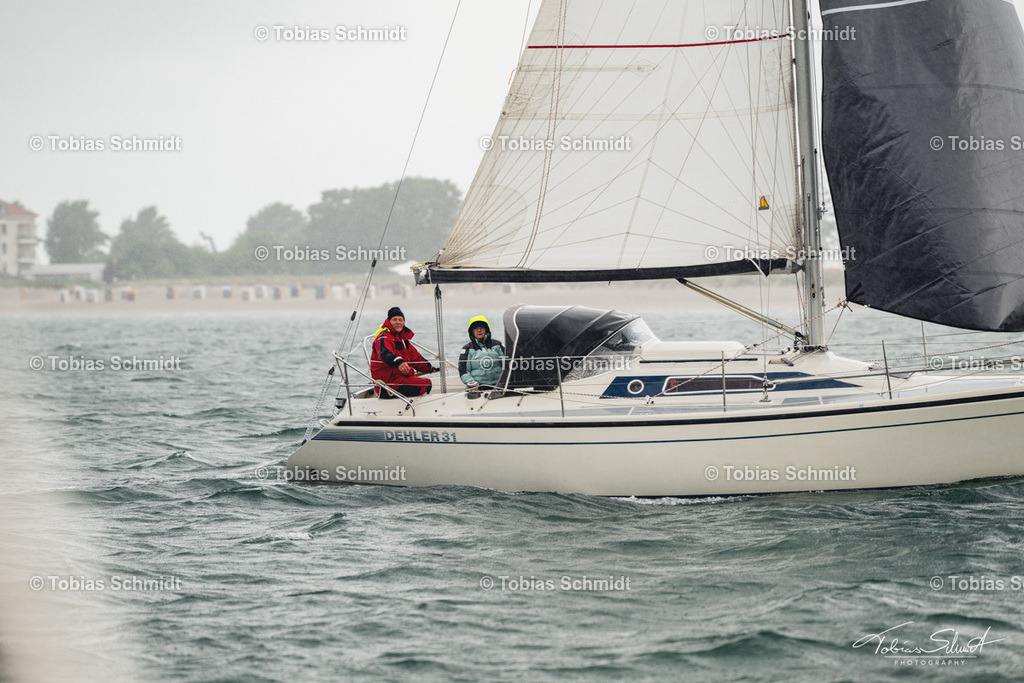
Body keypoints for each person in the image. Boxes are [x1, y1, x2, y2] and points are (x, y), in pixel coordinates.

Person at [370, 307, 438, 398]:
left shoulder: (402, 339)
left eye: (400, 320)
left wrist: (429, 368)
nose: (398, 322)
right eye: (394, 319)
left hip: (400, 379)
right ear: (388, 321)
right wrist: (399, 363)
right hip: (387, 385)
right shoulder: (384, 338)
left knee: (425, 383)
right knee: (426, 384)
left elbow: (415, 358)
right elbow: (385, 354)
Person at [458, 316, 505, 390]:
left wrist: (504, 382)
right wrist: (470, 382)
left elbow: (508, 364)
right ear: (471, 331)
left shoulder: (498, 345)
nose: (479, 330)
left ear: (486, 330)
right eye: (476, 328)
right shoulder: (467, 349)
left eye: (482, 328)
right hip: (477, 388)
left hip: (498, 386)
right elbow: (463, 370)